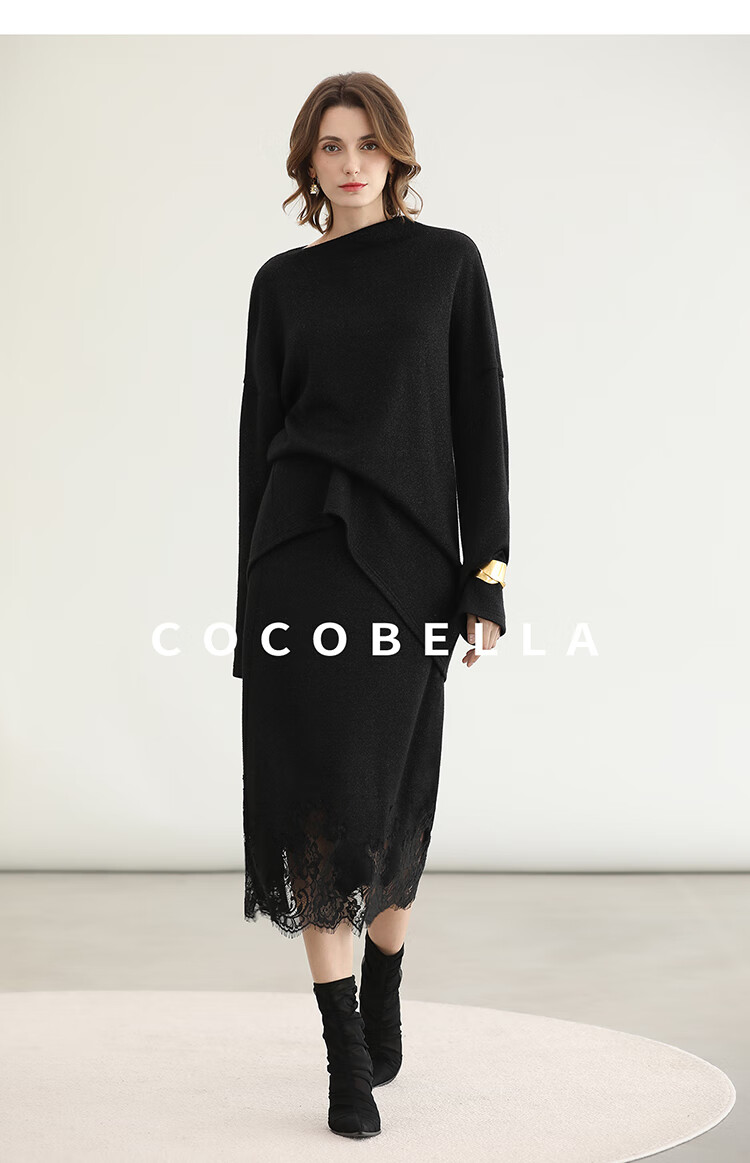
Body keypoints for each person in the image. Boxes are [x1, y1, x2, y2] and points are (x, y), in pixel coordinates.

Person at [232, 71, 510, 1139]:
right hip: (296, 561)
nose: (350, 164)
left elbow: (480, 419)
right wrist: (247, 610)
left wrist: (485, 575)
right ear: (308, 162)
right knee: (317, 807)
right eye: (330, 147)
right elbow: (257, 440)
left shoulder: (447, 265)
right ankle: (345, 1056)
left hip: (405, 571)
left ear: (397, 153)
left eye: (367, 145)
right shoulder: (280, 284)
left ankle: (385, 974)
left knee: (388, 802)